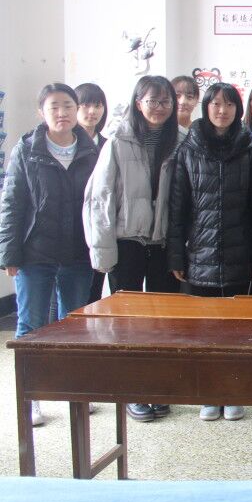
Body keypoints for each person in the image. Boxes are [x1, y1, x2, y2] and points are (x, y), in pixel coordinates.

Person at [84, 75, 182, 423]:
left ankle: (156, 387)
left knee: (162, 322)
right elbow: (99, 199)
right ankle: (131, 389)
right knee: (127, 321)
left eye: (165, 101)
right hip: (128, 240)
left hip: (164, 242)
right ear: (138, 103)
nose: (159, 107)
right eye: (152, 100)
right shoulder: (118, 141)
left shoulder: (181, 141)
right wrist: (102, 251)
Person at [0, 84, 99, 428]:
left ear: (77, 110)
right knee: (31, 326)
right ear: (41, 112)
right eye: (54, 106)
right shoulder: (26, 150)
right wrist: (9, 253)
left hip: (77, 253)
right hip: (35, 253)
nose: (62, 113)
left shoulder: (91, 150)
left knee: (74, 327)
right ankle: (32, 398)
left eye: (68, 106)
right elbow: (12, 203)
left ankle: (75, 390)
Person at [167, 82, 252, 423]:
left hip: (240, 253)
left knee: (237, 330)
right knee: (204, 331)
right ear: (206, 107)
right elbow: (178, 208)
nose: (222, 110)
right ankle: (209, 393)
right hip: (199, 255)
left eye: (229, 104)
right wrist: (176, 255)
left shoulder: (250, 151)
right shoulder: (188, 149)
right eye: (215, 104)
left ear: (238, 110)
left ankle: (234, 392)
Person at [74, 82, 108, 304]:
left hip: (99, 229)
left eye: (98, 105)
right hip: (72, 231)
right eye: (85, 105)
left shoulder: (109, 145)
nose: (92, 111)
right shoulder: (67, 145)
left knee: (94, 295)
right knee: (67, 300)